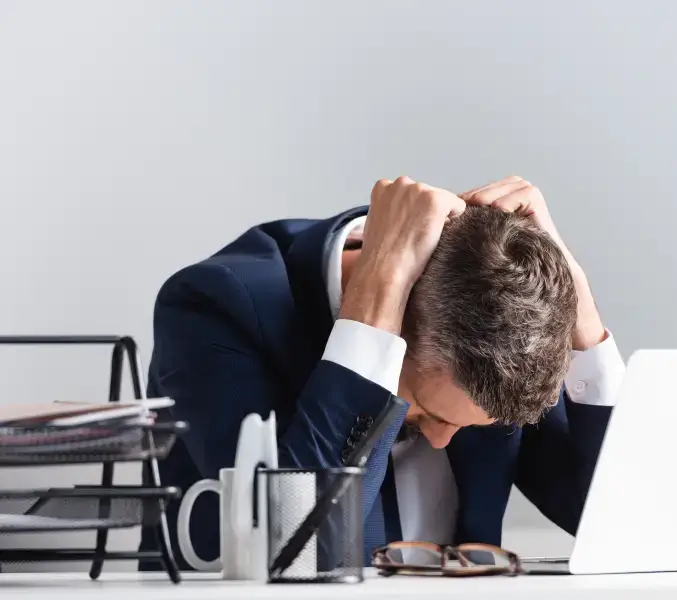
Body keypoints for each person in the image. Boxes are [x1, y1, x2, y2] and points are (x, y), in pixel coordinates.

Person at [139, 176, 625, 568]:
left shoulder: (492, 326)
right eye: (432, 411)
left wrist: (583, 321)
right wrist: (376, 305)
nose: (440, 439)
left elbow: (624, 526)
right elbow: (298, 550)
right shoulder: (214, 306)